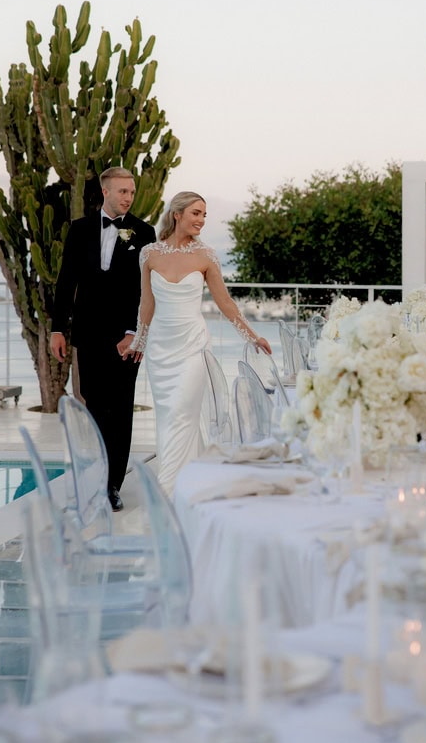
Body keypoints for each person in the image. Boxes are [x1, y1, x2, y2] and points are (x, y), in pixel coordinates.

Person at [127, 191, 271, 495]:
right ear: (177, 214)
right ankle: (188, 480)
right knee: (168, 417)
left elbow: (225, 303)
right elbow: (146, 304)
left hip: (193, 345)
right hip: (160, 350)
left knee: (182, 411)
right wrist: (139, 340)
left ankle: (167, 489)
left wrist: (252, 335)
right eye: (196, 213)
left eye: (204, 215)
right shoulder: (149, 254)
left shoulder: (206, 255)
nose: (202, 220)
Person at [51, 167, 156, 511]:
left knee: (121, 409)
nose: (128, 197)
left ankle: (112, 485)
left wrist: (135, 334)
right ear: (105, 191)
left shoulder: (144, 232)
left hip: (126, 339)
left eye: (131, 191)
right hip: (88, 334)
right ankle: (95, 477)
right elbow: (66, 281)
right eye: (122, 191)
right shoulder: (80, 230)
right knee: (94, 406)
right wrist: (56, 328)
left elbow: (147, 290)